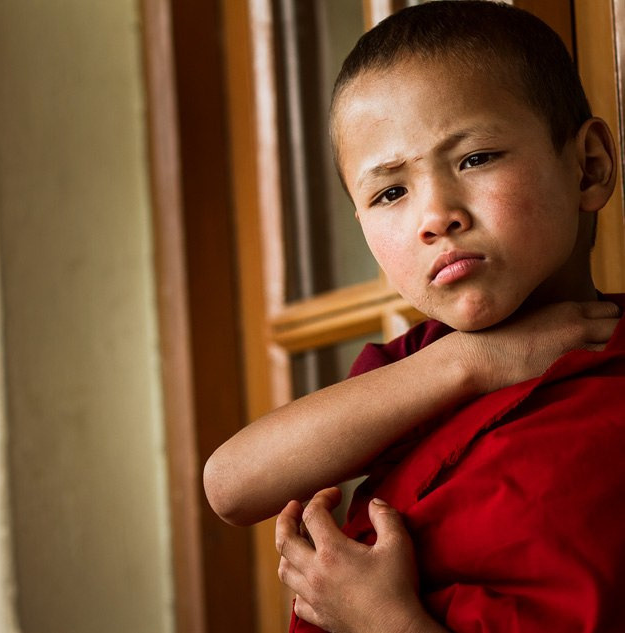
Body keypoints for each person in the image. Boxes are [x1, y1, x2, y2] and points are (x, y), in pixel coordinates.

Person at [202, 2, 625, 631]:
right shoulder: (421, 365)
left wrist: (380, 620)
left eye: (475, 158)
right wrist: (466, 364)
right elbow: (232, 487)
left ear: (587, 165)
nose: (436, 216)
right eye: (390, 193)